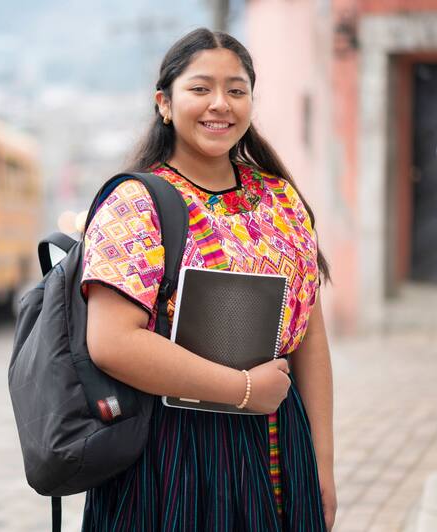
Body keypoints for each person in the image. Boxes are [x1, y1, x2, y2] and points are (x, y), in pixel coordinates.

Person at [80, 28, 335, 531]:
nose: (220, 104)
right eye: (200, 89)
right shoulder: (136, 203)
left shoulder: (282, 200)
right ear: (165, 103)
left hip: (281, 443)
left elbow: (309, 338)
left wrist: (323, 466)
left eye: (236, 91)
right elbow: (110, 342)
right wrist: (242, 389)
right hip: (172, 454)